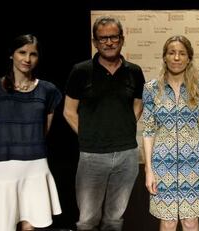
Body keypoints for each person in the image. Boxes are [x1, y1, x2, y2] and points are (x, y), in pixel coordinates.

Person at [63, 15, 145, 231]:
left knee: (114, 219)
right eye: (103, 38)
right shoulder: (81, 71)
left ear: (122, 39)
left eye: (113, 37)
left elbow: (138, 104)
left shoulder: (134, 71)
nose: (109, 42)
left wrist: (123, 127)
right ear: (94, 42)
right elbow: (69, 111)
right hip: (92, 156)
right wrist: (89, 136)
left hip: (127, 155)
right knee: (88, 220)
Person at [0, 34, 62, 231]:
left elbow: (44, 130)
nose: (27, 59)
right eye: (22, 52)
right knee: (1, 224)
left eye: (33, 54)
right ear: (12, 55)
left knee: (30, 225)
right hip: (2, 167)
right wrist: (2, 156)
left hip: (35, 165)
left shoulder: (48, 90)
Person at [142, 35, 199, 231]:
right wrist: (149, 170)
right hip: (162, 164)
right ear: (164, 57)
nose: (176, 58)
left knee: (190, 222)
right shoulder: (151, 89)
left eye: (182, 53)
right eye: (171, 53)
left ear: (189, 58)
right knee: (167, 222)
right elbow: (148, 132)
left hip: (194, 164)